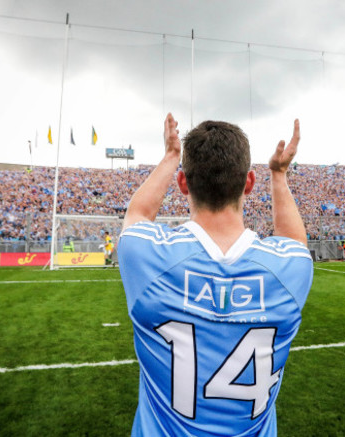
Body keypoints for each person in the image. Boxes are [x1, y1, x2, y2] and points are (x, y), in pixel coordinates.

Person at [117, 113, 313, 436]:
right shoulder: (288, 271)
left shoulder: (147, 257)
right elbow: (295, 243)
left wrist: (170, 157)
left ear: (183, 184)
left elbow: (137, 214)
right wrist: (278, 175)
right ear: (249, 183)